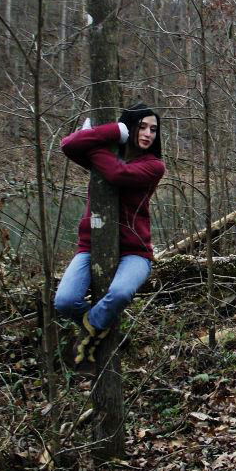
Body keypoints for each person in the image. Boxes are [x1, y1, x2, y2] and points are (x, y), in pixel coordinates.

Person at [54, 103, 166, 364]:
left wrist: (90, 142)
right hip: (91, 245)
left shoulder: (154, 166)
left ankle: (91, 329)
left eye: (153, 129)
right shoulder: (106, 156)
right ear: (129, 126)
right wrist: (115, 131)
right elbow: (67, 145)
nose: (148, 134)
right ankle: (101, 326)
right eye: (142, 127)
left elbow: (118, 174)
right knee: (65, 301)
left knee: (120, 293)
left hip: (135, 251)